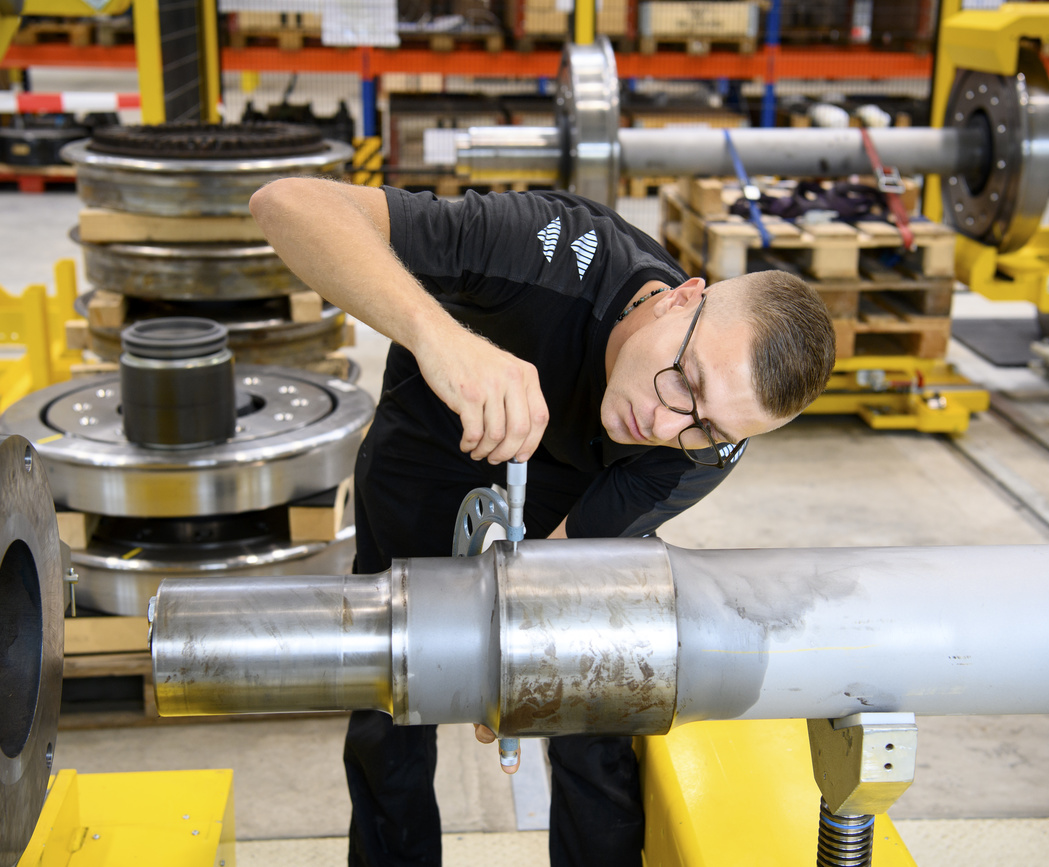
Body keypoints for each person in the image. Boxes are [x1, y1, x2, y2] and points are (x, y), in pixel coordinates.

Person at [249, 179, 836, 867]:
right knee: (390, 692)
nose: (665, 422)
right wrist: (442, 337)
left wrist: (507, 661)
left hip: (574, 489)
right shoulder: (549, 251)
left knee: (595, 695)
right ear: (683, 297)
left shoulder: (698, 453)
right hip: (429, 448)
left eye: (704, 425)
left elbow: (559, 568)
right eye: (685, 379)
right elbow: (285, 205)